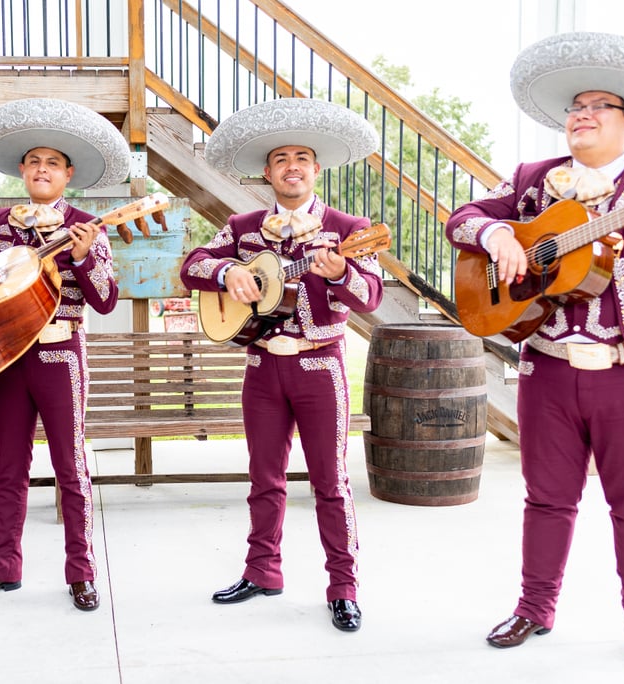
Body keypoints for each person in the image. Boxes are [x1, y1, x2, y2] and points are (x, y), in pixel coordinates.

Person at [446, 32, 624, 682]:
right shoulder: (535, 182)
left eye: (597, 106)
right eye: (574, 107)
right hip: (549, 370)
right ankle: (534, 609)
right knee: (546, 499)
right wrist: (501, 232)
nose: (579, 114)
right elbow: (462, 218)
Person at [180, 98, 384, 632]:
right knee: (263, 477)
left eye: (302, 158)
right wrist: (227, 275)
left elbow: (369, 297)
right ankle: (261, 571)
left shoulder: (349, 227)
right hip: (262, 368)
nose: (292, 166)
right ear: (268, 172)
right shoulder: (244, 225)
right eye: (281, 159)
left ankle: (343, 587)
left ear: (316, 170)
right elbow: (193, 265)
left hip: (320, 369)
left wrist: (340, 271)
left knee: (331, 482)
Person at [0, 97, 129, 612]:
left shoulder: (87, 225)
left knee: (70, 466)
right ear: (22, 171)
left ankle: (81, 571)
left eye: (52, 163)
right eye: (34, 162)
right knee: (8, 466)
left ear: (67, 174)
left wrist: (80, 256)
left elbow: (106, 298)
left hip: (59, 356)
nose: (42, 169)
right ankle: (2, 566)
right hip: (6, 357)